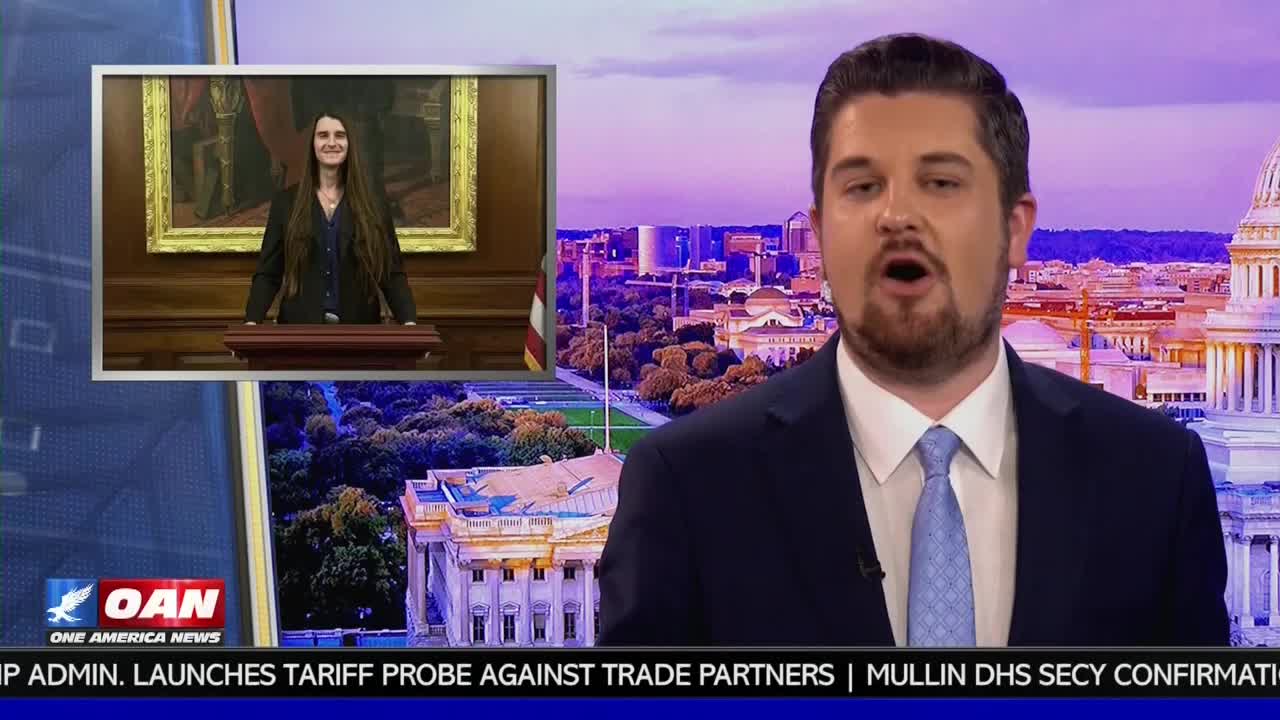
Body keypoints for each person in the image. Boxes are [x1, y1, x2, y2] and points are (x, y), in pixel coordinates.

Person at [597, 34, 1228, 647]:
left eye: (942, 183)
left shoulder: (1154, 479)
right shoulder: (688, 486)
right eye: (862, 186)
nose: (897, 216)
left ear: (1015, 230)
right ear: (818, 235)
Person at [243, 111, 416, 325]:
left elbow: (391, 273)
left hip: (360, 333)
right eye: (323, 135)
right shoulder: (286, 203)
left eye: (340, 135)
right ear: (313, 145)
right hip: (298, 333)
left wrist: (409, 322)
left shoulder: (374, 205)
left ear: (349, 143)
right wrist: (252, 321)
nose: (332, 142)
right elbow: (269, 274)